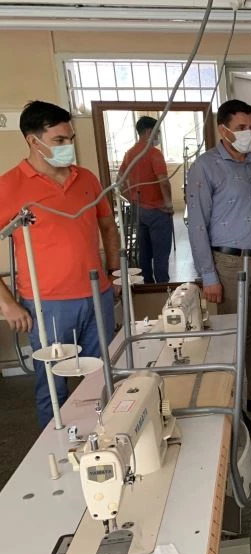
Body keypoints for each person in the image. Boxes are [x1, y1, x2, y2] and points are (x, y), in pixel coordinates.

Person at [0, 100, 118, 428]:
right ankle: (60, 447)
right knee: (53, 388)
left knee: (103, 377)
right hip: (48, 305)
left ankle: (106, 439)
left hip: (97, 296)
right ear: (32, 140)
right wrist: (8, 304)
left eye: (70, 139)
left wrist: (113, 273)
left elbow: (108, 226)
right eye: (59, 140)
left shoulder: (86, 179)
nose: (68, 146)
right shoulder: (9, 186)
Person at [186, 99, 251, 435]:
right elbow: (197, 225)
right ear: (224, 130)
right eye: (241, 128)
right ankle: (232, 404)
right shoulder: (205, 167)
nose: (248, 133)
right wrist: (208, 276)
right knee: (231, 335)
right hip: (228, 263)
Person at [118, 116, 173, 283]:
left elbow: (119, 181)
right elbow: (163, 181)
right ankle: (162, 289)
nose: (158, 136)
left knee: (144, 253)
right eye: (157, 132)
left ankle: (147, 286)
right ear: (150, 131)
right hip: (157, 211)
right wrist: (168, 205)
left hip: (139, 211)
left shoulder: (130, 153)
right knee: (161, 254)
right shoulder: (153, 153)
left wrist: (132, 199)